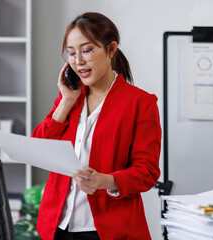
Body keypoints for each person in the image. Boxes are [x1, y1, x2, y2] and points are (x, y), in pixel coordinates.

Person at [32, 12, 161, 240]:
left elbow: (147, 171)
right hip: (57, 227)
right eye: (71, 53)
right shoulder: (69, 99)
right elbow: (39, 147)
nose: (78, 61)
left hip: (108, 231)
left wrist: (106, 181)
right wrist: (66, 102)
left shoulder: (140, 103)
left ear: (111, 50)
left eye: (87, 50)